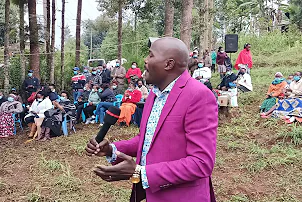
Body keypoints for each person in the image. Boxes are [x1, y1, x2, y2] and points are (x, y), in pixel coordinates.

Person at [86, 37, 218, 202]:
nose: (145, 60)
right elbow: (147, 140)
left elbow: (201, 163)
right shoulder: (154, 95)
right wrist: (113, 150)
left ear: (168, 64)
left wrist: (140, 173)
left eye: (151, 55)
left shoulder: (198, 96)